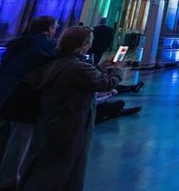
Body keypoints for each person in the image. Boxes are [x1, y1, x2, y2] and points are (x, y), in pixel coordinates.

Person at [19, 26, 123, 191]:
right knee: (64, 166)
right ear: (83, 44)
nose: (90, 45)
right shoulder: (77, 67)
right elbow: (105, 83)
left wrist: (101, 67)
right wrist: (117, 70)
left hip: (53, 120)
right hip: (70, 122)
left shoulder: (57, 62)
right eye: (89, 42)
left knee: (49, 162)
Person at [0, 16, 58, 191]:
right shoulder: (46, 45)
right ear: (49, 29)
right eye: (54, 28)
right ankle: (9, 181)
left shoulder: (18, 43)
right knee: (19, 139)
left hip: (0, 94)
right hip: (22, 97)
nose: (55, 31)